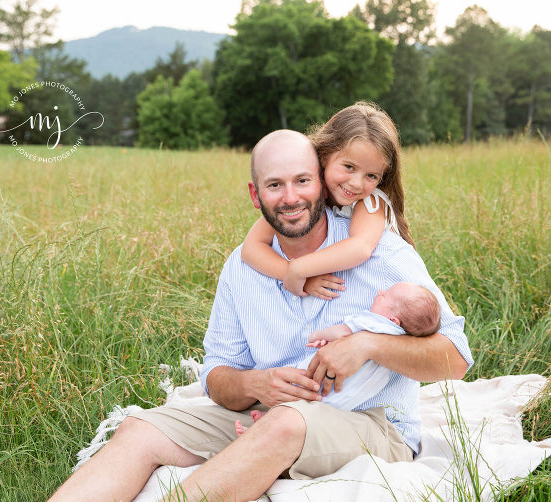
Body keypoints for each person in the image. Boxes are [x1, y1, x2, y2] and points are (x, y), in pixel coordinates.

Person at [48, 129, 473, 502]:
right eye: (275, 185)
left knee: (287, 423)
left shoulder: (381, 249)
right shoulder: (241, 266)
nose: (291, 198)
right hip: (263, 414)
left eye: (302, 181)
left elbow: (455, 358)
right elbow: (217, 376)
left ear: (322, 185)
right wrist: (255, 383)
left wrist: (365, 344)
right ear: (256, 195)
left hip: (372, 424)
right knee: (139, 431)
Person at [241, 101, 412, 301]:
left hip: (394, 298)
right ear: (325, 155)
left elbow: (360, 247)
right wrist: (291, 272)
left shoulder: (371, 202)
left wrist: (300, 268)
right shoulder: (304, 200)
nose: (357, 184)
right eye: (349, 167)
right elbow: (250, 248)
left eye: (372, 176)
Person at [235, 281, 442, 435]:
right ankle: (266, 426)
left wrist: (318, 336)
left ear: (393, 320)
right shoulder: (401, 339)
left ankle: (262, 428)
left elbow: (342, 332)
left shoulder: (373, 324)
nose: (380, 292)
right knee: (309, 416)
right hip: (349, 399)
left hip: (329, 383)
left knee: (297, 391)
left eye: (385, 296)